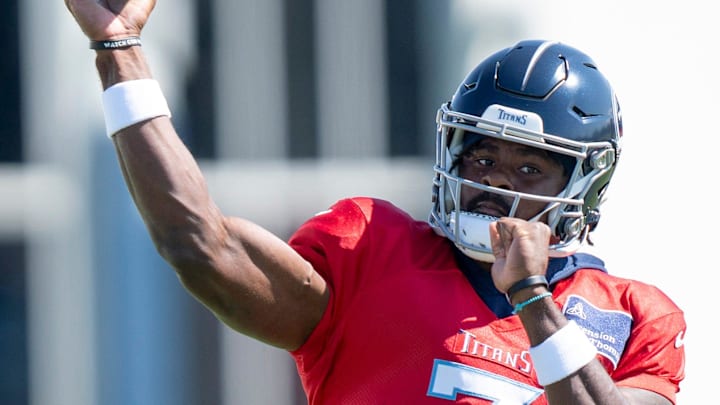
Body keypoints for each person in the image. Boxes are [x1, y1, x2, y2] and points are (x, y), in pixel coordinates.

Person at [64, 0, 686, 403]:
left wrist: (531, 299)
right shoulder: (372, 247)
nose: (494, 183)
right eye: (482, 158)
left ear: (583, 186)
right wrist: (120, 51)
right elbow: (199, 243)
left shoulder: (634, 313)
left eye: (529, 167)